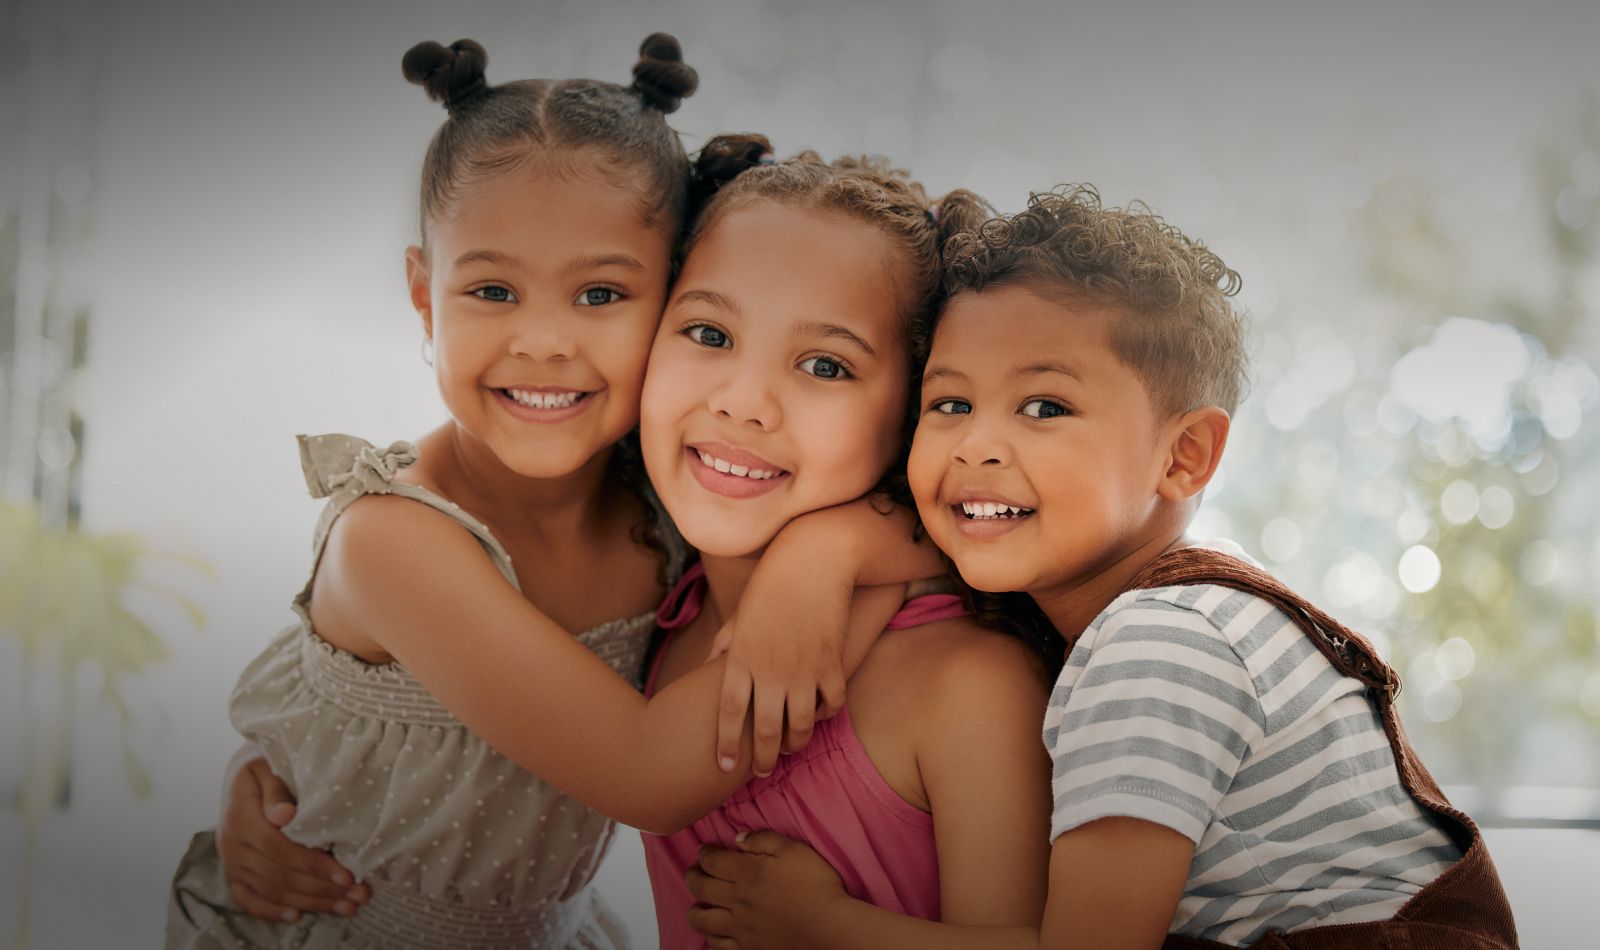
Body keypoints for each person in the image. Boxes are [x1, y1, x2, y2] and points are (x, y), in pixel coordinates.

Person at [167, 37, 935, 950]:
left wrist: (827, 555)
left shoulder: (668, 500)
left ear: (677, 295)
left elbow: (958, 526)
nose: (543, 344)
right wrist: (254, 773)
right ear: (423, 296)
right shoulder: (393, 540)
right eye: (492, 289)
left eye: (601, 294)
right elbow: (647, 776)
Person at [687, 186, 1518, 949]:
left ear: (1185, 456)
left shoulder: (1154, 647)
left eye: (1044, 407)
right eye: (951, 404)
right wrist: (820, 552)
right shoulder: (1196, 594)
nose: (976, 443)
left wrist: (821, 925)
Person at [636, 139, 1056, 949]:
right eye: (710, 334)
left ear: (915, 406)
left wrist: (827, 931)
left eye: (824, 365)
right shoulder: (655, 610)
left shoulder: (966, 686)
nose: (745, 403)